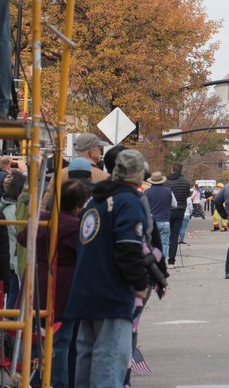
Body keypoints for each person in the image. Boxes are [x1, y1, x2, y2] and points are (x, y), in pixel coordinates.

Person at [65, 150, 164, 388]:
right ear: (137, 174)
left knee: (86, 356)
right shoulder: (128, 201)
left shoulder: (94, 200)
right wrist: (140, 283)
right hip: (112, 291)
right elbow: (129, 246)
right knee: (109, 358)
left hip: (85, 290)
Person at [19, 180, 90, 388]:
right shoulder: (76, 227)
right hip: (63, 288)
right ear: (78, 205)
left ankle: (32, 381)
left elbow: (23, 239)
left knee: (32, 340)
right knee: (60, 342)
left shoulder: (40, 220)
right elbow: (85, 255)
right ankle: (56, 383)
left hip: (34, 283)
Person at [0, 171, 23, 307]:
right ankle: (8, 323)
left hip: (10, 257)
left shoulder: (6, 207)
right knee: (14, 295)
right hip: (13, 258)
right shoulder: (13, 209)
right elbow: (19, 231)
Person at [162, 163, 191, 267]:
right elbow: (187, 196)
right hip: (180, 211)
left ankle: (162, 259)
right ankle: (171, 261)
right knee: (174, 236)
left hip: (168, 210)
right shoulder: (186, 182)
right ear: (181, 170)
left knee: (165, 235)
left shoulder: (166, 182)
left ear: (172, 169)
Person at [143, 171, 176, 257]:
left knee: (152, 243)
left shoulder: (146, 192)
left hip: (152, 221)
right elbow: (174, 204)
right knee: (164, 243)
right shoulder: (168, 191)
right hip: (165, 220)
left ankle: (154, 261)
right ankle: (162, 261)